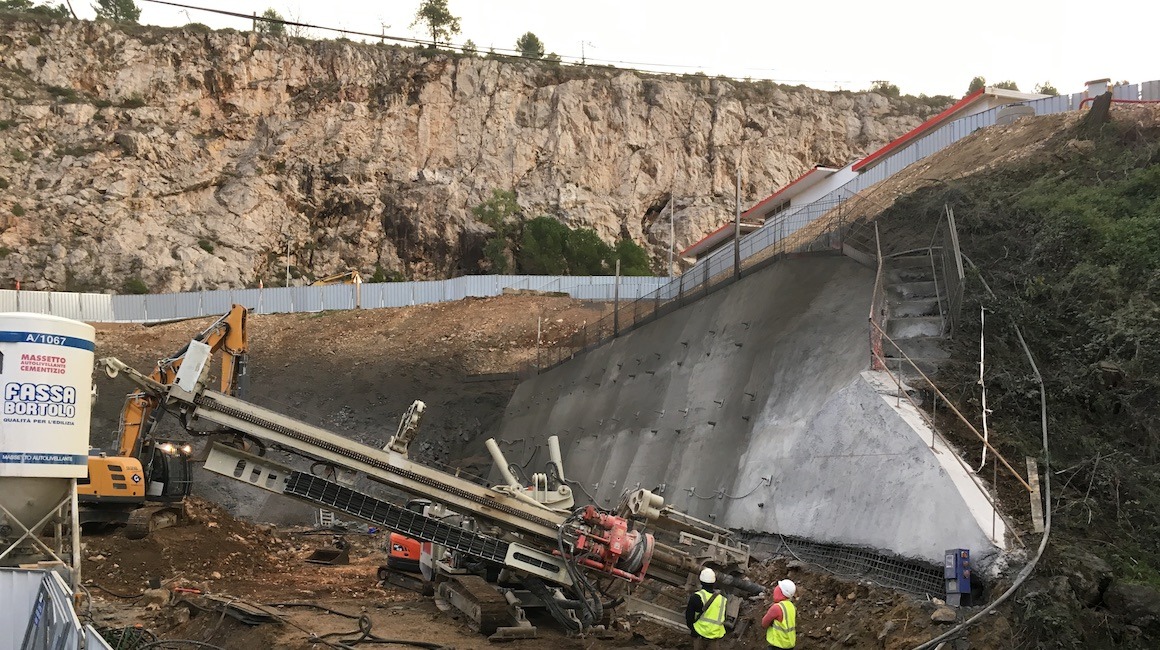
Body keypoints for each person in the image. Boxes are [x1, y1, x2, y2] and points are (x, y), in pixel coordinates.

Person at [685, 567, 727, 649]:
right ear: (714, 582)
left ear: (700, 581)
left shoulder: (696, 597)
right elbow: (724, 617)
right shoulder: (723, 599)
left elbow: (689, 617)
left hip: (699, 635)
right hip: (715, 637)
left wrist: (693, 629)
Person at [761, 578, 797, 648]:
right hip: (789, 644)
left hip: (778, 644)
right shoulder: (791, 606)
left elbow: (764, 623)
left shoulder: (776, 608)